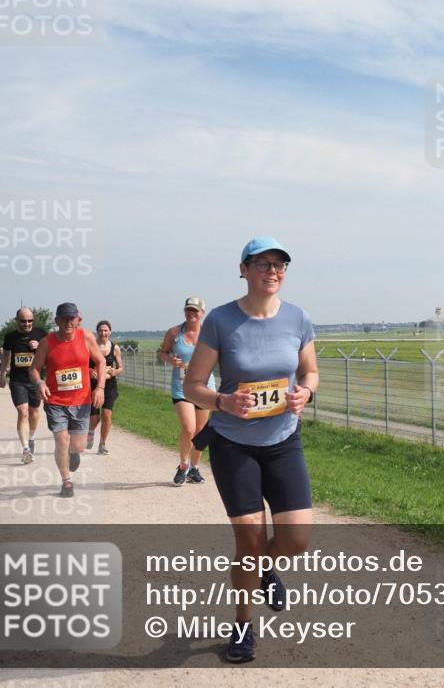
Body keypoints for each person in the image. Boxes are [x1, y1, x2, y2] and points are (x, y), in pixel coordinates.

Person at [185, 237, 318, 664]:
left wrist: (306, 395)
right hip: (233, 444)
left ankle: (264, 569)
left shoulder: (298, 318)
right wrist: (223, 402)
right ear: (243, 269)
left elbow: (310, 371)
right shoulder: (221, 321)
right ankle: (243, 628)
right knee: (250, 540)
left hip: (283, 441)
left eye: (279, 264)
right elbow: (193, 387)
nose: (272, 271)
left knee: (297, 538)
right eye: (262, 264)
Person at [30, 303, 106, 498]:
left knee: (78, 445)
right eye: (64, 319)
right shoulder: (47, 342)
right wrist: (40, 383)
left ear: (78, 319)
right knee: (61, 439)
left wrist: (100, 387)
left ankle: (73, 453)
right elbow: (34, 369)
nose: (68, 322)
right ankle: (66, 481)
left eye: (71, 318)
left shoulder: (87, 337)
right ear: (57, 321)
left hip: (81, 401)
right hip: (55, 400)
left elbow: (101, 361)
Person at [158, 298, 216, 485]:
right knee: (189, 428)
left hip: (205, 388)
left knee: (200, 431)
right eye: (188, 310)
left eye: (195, 311)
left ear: (202, 313)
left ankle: (194, 468)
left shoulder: (210, 333)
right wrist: (170, 360)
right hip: (181, 388)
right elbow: (162, 352)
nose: (191, 314)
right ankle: (183, 465)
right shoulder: (174, 332)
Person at [0, 307, 47, 463]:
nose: (27, 324)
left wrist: (39, 347)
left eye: (30, 320)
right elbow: (5, 356)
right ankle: (26, 448)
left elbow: (51, 355)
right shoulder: (10, 337)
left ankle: (31, 437)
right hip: (17, 380)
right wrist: (1, 375)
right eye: (23, 321)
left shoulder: (41, 334)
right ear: (17, 321)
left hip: (36, 380)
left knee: (34, 412)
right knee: (23, 411)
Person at [87, 320, 123, 454]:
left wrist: (116, 371)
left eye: (106, 330)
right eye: (101, 330)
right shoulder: (91, 346)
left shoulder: (115, 348)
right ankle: (90, 431)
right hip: (93, 385)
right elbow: (83, 364)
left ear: (110, 332)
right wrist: (89, 371)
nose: (103, 333)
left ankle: (102, 444)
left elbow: (120, 367)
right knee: (95, 417)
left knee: (107, 414)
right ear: (97, 332)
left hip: (109, 385)